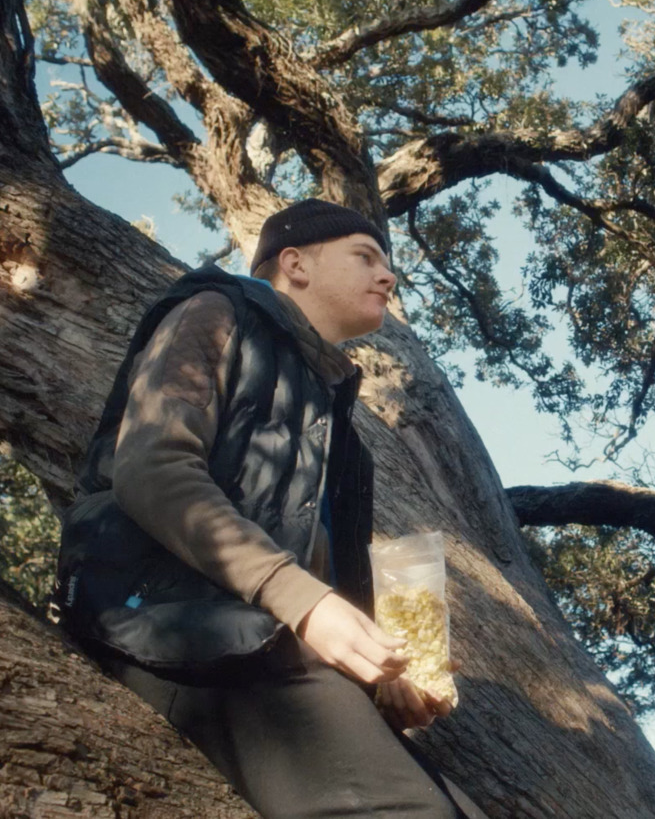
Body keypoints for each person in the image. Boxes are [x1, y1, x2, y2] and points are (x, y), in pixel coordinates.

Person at [55, 199, 485, 819]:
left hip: (270, 646)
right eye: (366, 257)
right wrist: (304, 602)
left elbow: (326, 582)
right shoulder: (215, 310)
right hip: (176, 631)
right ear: (295, 264)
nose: (388, 277)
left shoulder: (341, 430)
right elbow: (152, 469)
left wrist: (380, 668)